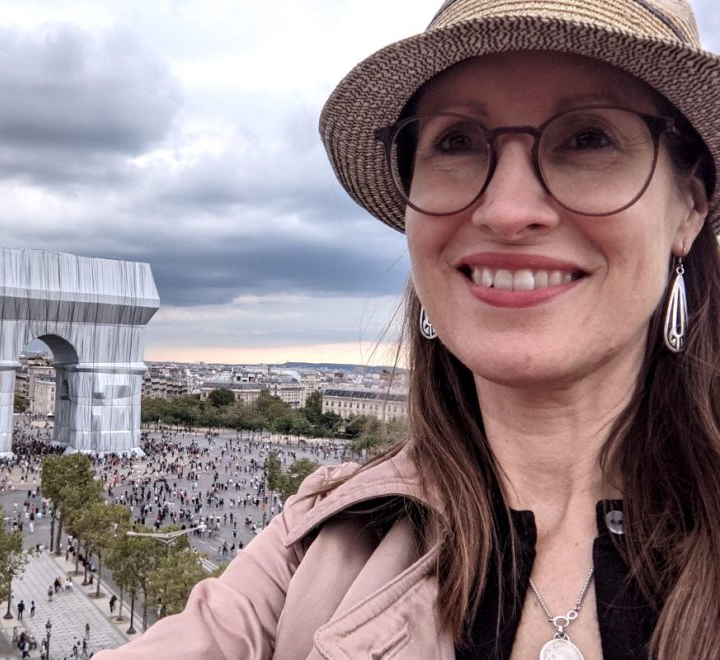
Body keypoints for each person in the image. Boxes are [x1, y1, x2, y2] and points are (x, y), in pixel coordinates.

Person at [94, 1, 720, 658]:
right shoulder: (315, 541)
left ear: (689, 208)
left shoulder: (332, 552)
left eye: (588, 137)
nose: (507, 209)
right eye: (456, 141)